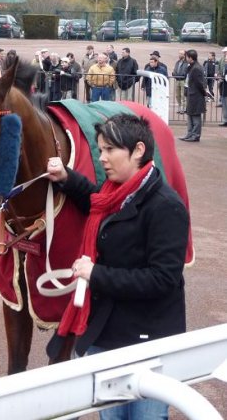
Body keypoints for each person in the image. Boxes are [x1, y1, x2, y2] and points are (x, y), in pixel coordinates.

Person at [47, 113, 189, 420]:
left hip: (147, 341)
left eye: (110, 150)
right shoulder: (114, 192)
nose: (103, 158)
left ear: (138, 150)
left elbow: (162, 279)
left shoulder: (167, 207)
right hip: (106, 333)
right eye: (100, 150)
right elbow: (96, 203)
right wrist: (67, 178)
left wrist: (96, 274)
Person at [179, 49, 206, 142]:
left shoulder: (197, 68)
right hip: (191, 94)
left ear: (191, 58)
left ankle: (195, 135)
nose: (185, 58)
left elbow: (199, 83)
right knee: (190, 115)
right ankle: (189, 133)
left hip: (196, 96)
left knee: (195, 116)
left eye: (187, 57)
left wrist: (204, 93)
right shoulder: (191, 66)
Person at [172, 49, 188, 115]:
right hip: (177, 80)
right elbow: (174, 71)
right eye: (179, 53)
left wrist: (178, 75)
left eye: (181, 54)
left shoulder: (186, 63)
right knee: (177, 95)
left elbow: (185, 73)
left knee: (183, 95)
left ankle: (183, 108)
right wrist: (175, 75)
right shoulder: (177, 62)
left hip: (183, 81)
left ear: (184, 55)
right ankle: (179, 106)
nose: (179, 55)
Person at [217, 47, 227, 127]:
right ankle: (225, 120)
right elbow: (220, 69)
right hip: (224, 86)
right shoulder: (222, 61)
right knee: (224, 104)